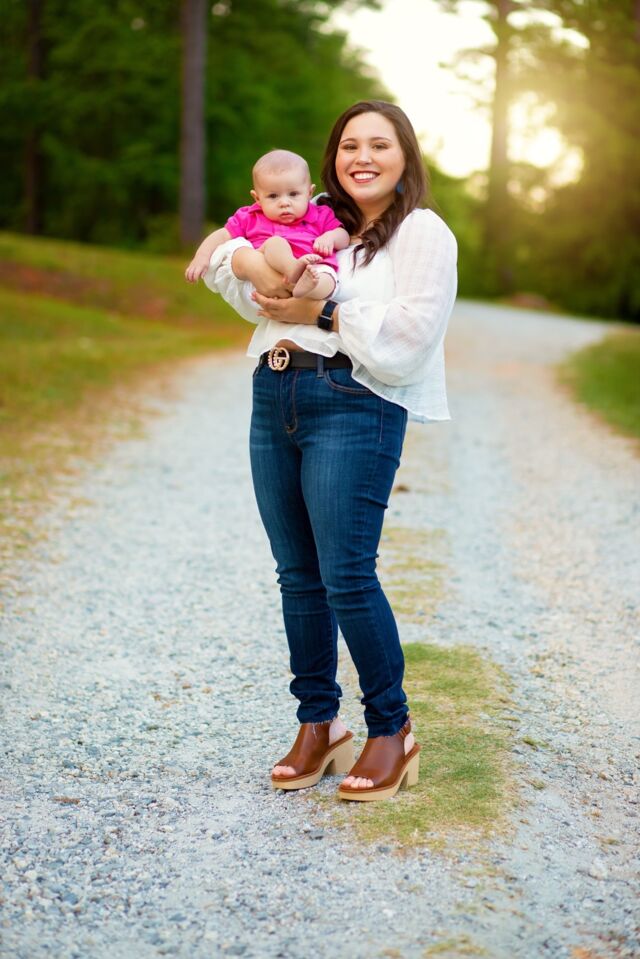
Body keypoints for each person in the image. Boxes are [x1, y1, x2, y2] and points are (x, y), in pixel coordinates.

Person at [194, 100, 457, 802]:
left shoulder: (420, 231)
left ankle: (391, 730)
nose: (362, 157)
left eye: (379, 144)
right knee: (297, 575)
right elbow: (244, 288)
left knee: (346, 574)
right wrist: (241, 259)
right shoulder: (311, 220)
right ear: (331, 159)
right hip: (274, 388)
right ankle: (319, 724)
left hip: (355, 401)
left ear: (405, 156)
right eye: (349, 145)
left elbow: (409, 339)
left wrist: (324, 311)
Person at [185, 149, 349, 299]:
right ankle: (292, 269)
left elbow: (344, 236)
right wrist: (202, 257)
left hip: (314, 267)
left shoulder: (321, 214)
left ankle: (307, 289)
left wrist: (330, 237)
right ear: (257, 198)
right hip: (270, 270)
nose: (284, 203)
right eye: (273, 196)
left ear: (309, 193)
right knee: (275, 242)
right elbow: (222, 235)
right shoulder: (251, 216)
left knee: (328, 279)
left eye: (293, 194)